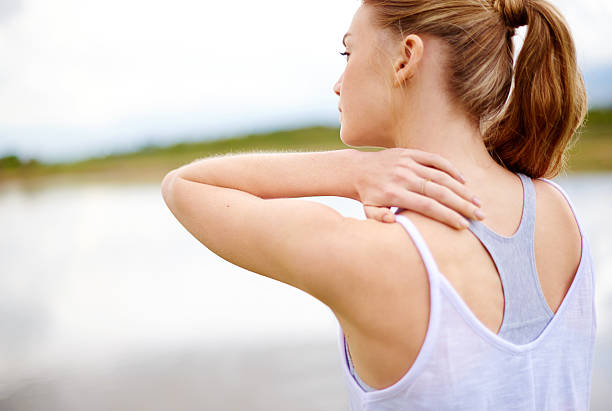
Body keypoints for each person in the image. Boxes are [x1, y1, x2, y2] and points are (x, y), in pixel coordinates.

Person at [161, 0, 596, 409]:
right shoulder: (559, 213)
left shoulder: (381, 254)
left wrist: (351, 171)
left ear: (406, 57)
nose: (337, 82)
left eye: (347, 53)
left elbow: (184, 186)